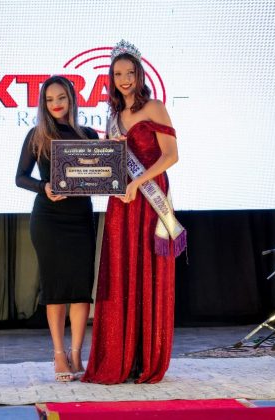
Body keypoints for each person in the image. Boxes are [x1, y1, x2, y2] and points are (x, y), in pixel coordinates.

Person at [82, 40, 186, 385]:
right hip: (122, 202)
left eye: (130, 73)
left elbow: (171, 156)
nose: (125, 79)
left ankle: (147, 359)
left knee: (148, 270)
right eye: (118, 74)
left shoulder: (155, 107)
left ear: (140, 75)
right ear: (111, 79)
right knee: (121, 270)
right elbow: (112, 163)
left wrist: (138, 181)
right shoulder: (113, 117)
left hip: (150, 198)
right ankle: (120, 355)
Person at [15, 75, 98, 382]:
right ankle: (59, 355)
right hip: (48, 220)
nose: (56, 104)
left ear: (71, 99)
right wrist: (44, 187)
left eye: (61, 97)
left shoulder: (89, 135)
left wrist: (115, 153)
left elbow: (104, 173)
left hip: (80, 218)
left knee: (80, 290)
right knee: (55, 290)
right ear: (43, 104)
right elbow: (20, 177)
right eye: (49, 99)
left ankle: (77, 355)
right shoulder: (37, 135)